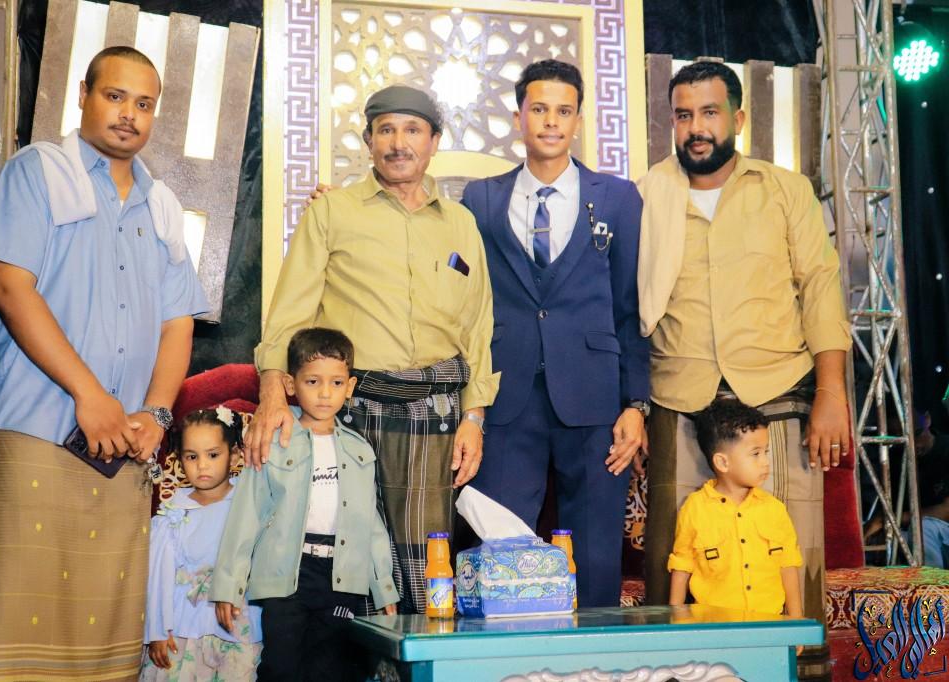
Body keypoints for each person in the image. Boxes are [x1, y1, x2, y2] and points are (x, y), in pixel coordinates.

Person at [0, 46, 208, 680]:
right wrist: (90, 396)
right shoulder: (38, 172)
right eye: (115, 96)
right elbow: (10, 288)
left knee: (105, 643)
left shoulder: (162, 205)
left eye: (144, 103)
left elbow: (178, 322)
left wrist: (156, 413)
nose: (129, 114)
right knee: (14, 638)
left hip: (124, 449)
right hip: (38, 432)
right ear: (83, 96)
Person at [246, 85, 499, 613]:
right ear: (368, 141)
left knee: (424, 562)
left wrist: (474, 416)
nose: (398, 143)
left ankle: (419, 653)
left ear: (434, 141)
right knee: (344, 552)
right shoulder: (332, 212)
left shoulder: (461, 224)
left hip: (433, 415)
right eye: (386, 130)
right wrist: (272, 394)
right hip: (347, 411)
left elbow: (478, 326)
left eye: (412, 130)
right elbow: (289, 312)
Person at [638, 61, 850, 672]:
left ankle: (796, 673)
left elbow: (821, 288)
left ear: (738, 118)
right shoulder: (647, 194)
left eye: (709, 113)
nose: (696, 128)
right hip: (679, 396)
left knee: (791, 561)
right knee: (677, 563)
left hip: (777, 392)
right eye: (684, 115)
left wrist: (831, 391)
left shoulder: (785, 190)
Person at [461, 59, 648, 607]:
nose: (551, 121)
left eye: (563, 111)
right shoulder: (481, 199)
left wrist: (636, 403)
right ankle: (503, 651)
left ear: (578, 120)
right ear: (518, 117)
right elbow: (458, 285)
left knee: (595, 555)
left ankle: (595, 650)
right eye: (539, 109)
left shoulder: (617, 198)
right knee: (498, 547)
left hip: (594, 397)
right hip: (506, 395)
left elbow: (629, 307)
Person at [212, 328, 399, 681]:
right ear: (290, 384)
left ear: (350, 386)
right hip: (287, 575)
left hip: (341, 577)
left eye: (336, 383)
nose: (325, 393)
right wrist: (228, 585)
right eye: (313, 381)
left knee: (333, 670)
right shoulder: (272, 443)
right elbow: (246, 515)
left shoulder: (360, 450)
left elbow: (371, 525)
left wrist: (383, 586)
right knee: (281, 667)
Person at [140, 408, 262, 681]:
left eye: (213, 455)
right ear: (180, 460)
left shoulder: (249, 504)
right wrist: (157, 631)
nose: (202, 465)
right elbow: (158, 577)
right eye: (192, 456)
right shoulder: (173, 513)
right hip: (184, 627)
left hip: (236, 625)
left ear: (234, 455)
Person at [668, 398, 803, 624]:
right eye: (755, 454)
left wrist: (796, 619)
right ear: (722, 462)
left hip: (768, 626)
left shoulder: (775, 509)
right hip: (713, 629)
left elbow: (788, 565)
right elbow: (682, 565)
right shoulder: (694, 508)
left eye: (766, 452)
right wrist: (676, 620)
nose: (765, 462)